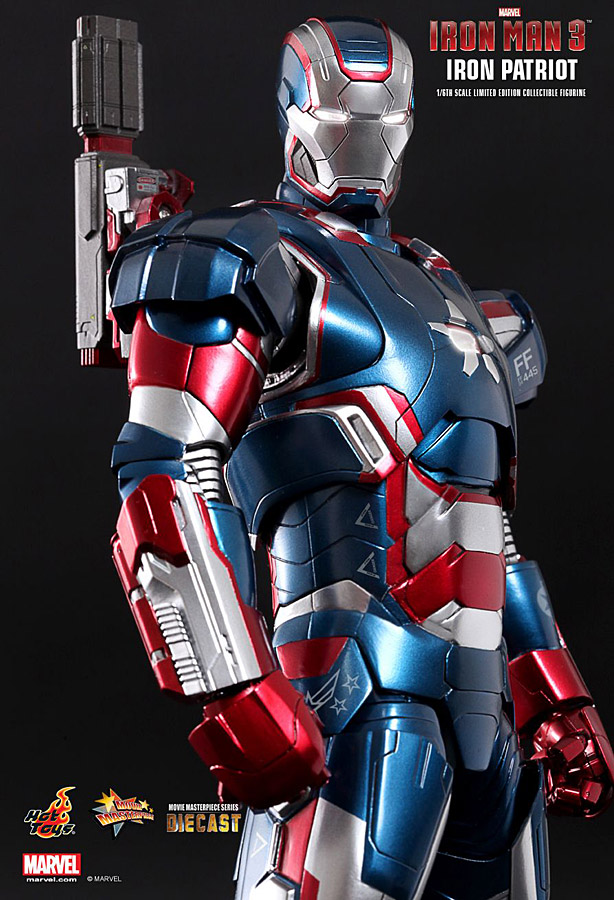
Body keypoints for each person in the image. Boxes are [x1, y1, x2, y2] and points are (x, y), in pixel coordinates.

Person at [108, 17, 614, 899]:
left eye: (383, 122)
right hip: (352, 693)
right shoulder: (258, 254)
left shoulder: (451, 296)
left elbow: (486, 527)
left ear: (409, 122)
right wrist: (233, 688)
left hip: (490, 718)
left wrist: (558, 695)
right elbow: (167, 468)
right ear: (295, 119)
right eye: (344, 122)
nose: (365, 143)